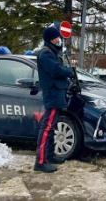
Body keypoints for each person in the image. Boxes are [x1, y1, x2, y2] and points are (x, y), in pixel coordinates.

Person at [34, 26, 74, 173]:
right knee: (47, 128)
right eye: (57, 38)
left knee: (51, 128)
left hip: (56, 94)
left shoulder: (52, 52)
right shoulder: (45, 54)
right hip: (52, 94)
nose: (59, 40)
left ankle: (49, 155)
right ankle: (40, 161)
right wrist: (69, 72)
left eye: (59, 38)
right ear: (50, 39)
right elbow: (56, 70)